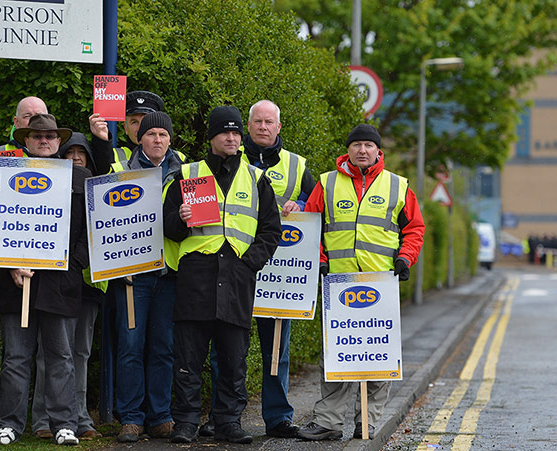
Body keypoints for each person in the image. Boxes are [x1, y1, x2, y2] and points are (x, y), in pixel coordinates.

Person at [297, 124, 424, 441]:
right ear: (348, 150)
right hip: (337, 285)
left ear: (378, 151)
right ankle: (328, 421)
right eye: (357, 145)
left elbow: (415, 229)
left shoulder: (397, 186)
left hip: (380, 285)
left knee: (379, 357)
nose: (362, 150)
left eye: (368, 145)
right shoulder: (327, 183)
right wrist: (322, 261)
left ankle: (366, 421)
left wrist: (405, 259)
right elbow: (312, 227)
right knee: (338, 355)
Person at [163, 106, 281, 444]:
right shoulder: (187, 175)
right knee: (188, 359)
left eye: (235, 133)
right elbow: (167, 227)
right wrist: (181, 218)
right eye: (223, 133)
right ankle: (185, 422)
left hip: (237, 278)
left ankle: (228, 421)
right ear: (212, 137)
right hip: (196, 277)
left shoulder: (257, 179)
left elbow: (271, 231)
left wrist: (249, 264)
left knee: (233, 359)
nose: (231, 138)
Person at [202, 99, 314, 439]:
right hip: (232, 272)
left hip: (280, 274)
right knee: (223, 349)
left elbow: (318, 205)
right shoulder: (227, 160)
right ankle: (221, 416)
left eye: (269, 122)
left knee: (275, 349)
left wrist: (304, 204)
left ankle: (278, 416)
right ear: (247, 127)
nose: (263, 127)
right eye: (257, 122)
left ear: (279, 127)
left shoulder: (297, 167)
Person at [0, 114, 90, 446]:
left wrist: (70, 263)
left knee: (61, 358)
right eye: (37, 136)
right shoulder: (4, 176)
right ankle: (9, 425)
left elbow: (91, 234)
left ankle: (65, 424)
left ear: (59, 142)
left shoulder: (81, 178)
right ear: (25, 141)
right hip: (17, 284)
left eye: (50, 136)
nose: (44, 140)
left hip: (60, 286)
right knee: (15, 358)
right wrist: (10, 266)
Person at [98, 111, 186, 442]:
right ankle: (131, 418)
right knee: (130, 346)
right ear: (140, 139)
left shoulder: (185, 173)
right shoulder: (122, 172)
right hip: (132, 276)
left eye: (163, 134)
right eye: (151, 135)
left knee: (163, 346)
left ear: (170, 139)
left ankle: (160, 416)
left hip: (168, 275)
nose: (158, 140)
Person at [30, 132, 105, 441]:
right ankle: (43, 420)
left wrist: (76, 260)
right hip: (56, 284)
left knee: (80, 354)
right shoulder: (53, 186)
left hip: (87, 285)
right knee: (49, 354)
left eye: (81, 153)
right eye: (69, 152)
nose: (75, 157)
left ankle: (80, 417)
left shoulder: (93, 187)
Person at [89, 90, 164, 174]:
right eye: (134, 122)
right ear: (125, 128)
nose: (140, 128)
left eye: (145, 121)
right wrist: (101, 141)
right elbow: (102, 171)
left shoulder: (177, 158)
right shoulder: (114, 156)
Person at [0, 96, 48, 160]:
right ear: (17, 122)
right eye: (27, 116)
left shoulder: (58, 154)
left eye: (39, 116)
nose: (34, 120)